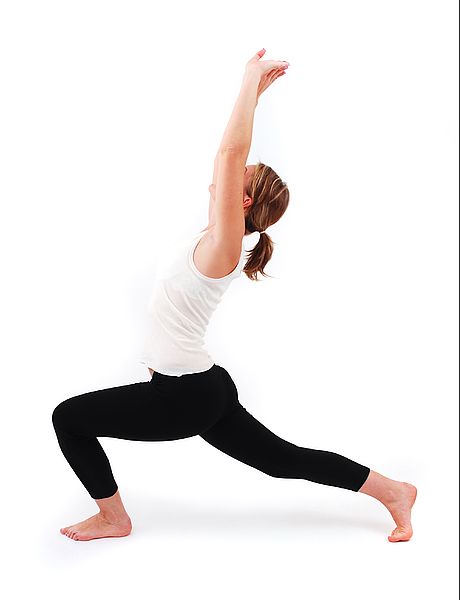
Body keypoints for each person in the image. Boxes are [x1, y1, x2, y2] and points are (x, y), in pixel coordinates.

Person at [52, 48, 417, 543]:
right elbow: (230, 161)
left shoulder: (225, 245)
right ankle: (394, 490)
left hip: (182, 396)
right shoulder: (213, 240)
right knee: (283, 461)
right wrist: (253, 96)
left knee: (69, 419)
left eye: (238, 178)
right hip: (204, 387)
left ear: (241, 201)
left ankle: (114, 519)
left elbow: (229, 155)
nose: (228, 172)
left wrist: (250, 84)